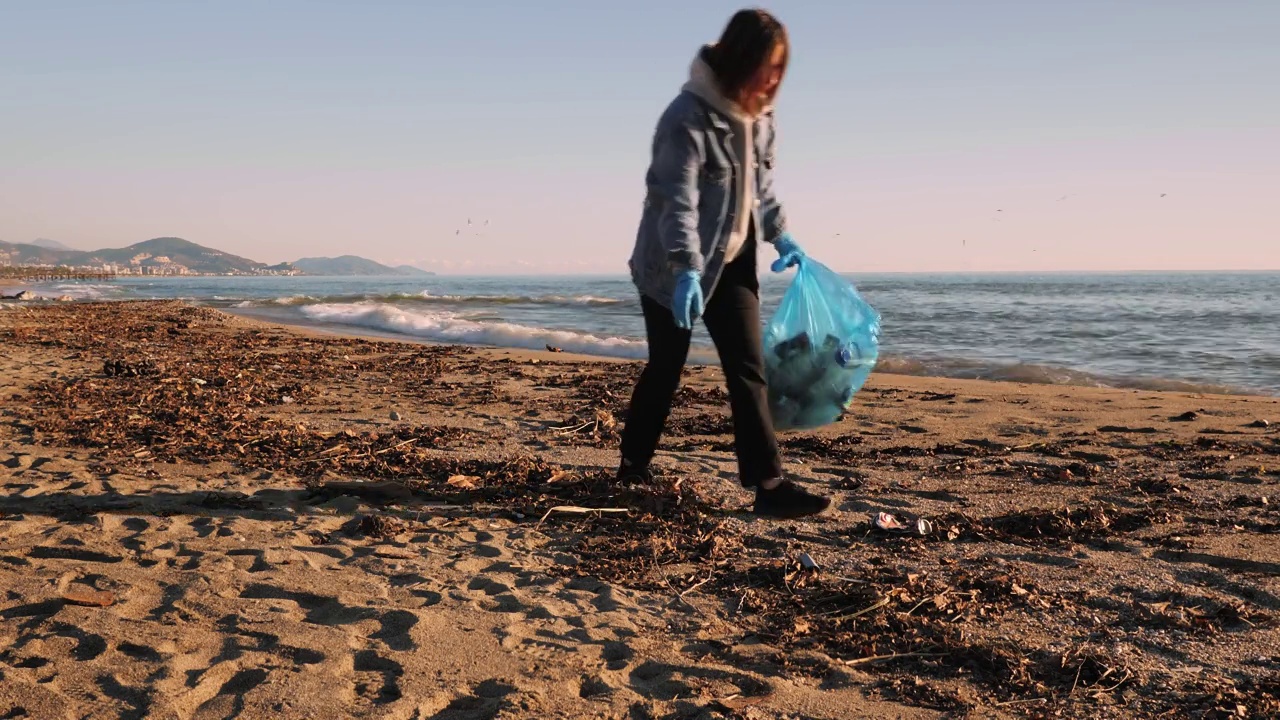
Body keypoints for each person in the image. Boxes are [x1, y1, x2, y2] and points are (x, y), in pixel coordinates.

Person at [620, 8, 830, 519]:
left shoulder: (760, 118)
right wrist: (687, 269)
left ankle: (769, 485)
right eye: (769, 66)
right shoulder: (687, 117)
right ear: (742, 59)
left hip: (734, 258)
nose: (775, 79)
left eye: (782, 68)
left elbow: (762, 188)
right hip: (671, 264)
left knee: (747, 369)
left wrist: (781, 236)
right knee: (667, 367)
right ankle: (631, 468)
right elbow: (674, 200)